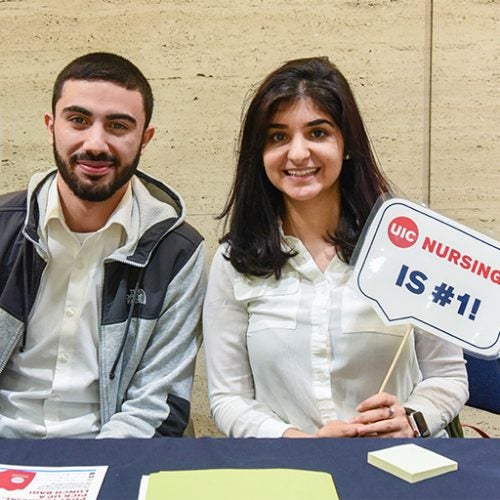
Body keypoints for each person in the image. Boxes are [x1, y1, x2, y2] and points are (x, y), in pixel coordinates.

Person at [203, 56, 468, 438]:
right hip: (292, 471)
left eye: (317, 133)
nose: (297, 154)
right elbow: (229, 397)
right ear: (258, 154)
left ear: (346, 144)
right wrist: (302, 444)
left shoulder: (409, 246)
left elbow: (447, 375)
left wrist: (412, 419)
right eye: (277, 137)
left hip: (401, 464)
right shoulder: (235, 261)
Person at [0, 52, 206, 438]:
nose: (95, 143)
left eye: (118, 126)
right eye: (78, 120)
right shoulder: (4, 227)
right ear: (51, 127)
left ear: (145, 138)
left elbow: (158, 403)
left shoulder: (175, 252)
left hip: (112, 454)